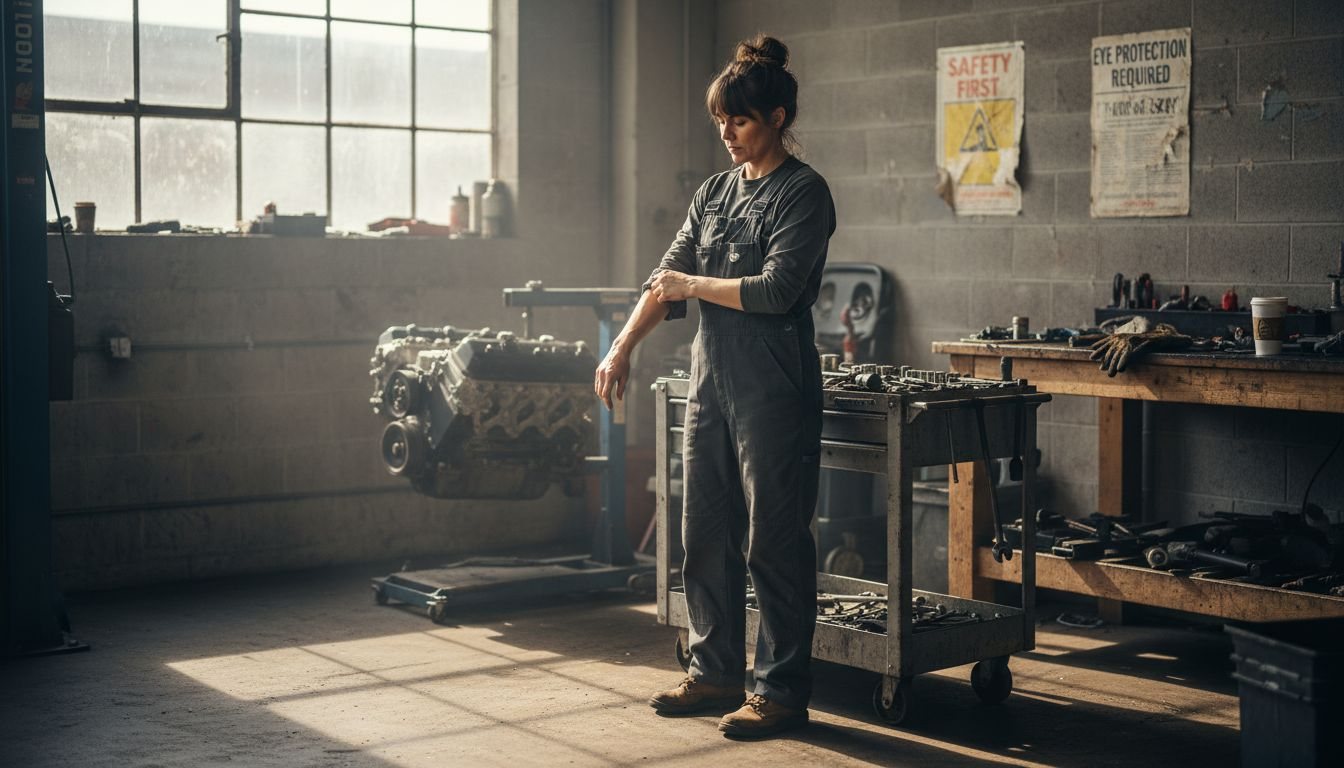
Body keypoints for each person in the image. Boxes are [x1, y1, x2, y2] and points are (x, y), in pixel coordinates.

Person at [594, 34, 835, 739]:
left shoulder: (804, 193)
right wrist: (621, 346)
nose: (727, 133)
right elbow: (663, 279)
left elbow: (777, 289)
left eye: (741, 120)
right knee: (703, 530)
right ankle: (716, 670)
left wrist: (693, 285)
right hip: (712, 378)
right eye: (721, 121)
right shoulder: (714, 193)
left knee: (774, 539)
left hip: (774, 380)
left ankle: (780, 691)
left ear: (778, 118)